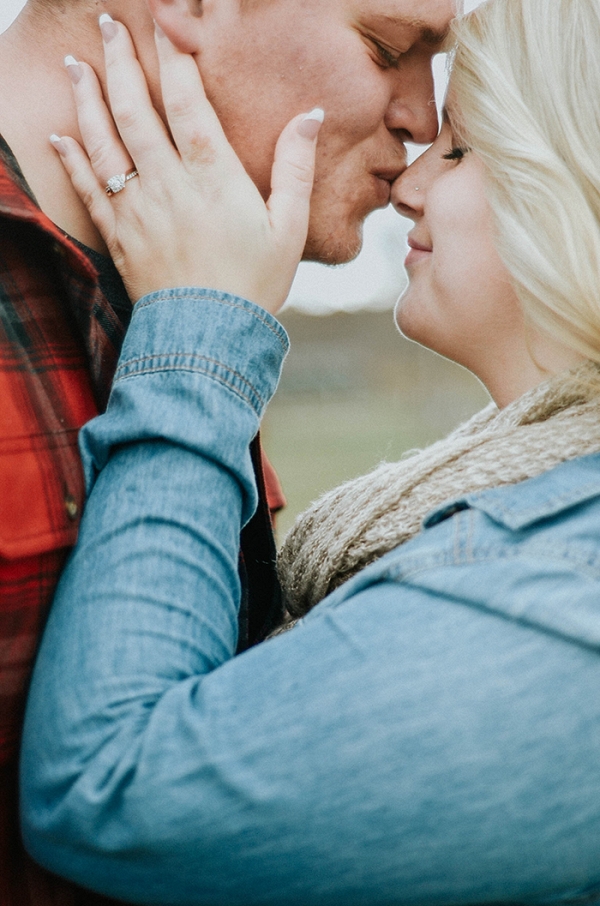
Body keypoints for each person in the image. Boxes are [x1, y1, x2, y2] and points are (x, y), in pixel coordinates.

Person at [20, 0, 600, 902]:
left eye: (459, 146)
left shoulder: (559, 583)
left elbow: (113, 789)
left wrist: (203, 337)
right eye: (383, 46)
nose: (411, 164)